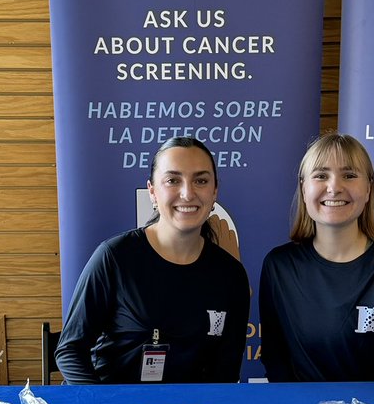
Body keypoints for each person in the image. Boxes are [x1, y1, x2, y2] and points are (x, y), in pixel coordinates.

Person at [55, 137, 250, 383]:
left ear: (214, 192)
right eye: (172, 180)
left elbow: (226, 369)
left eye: (200, 180)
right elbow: (70, 351)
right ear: (152, 192)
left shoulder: (230, 275)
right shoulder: (114, 257)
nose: (188, 193)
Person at [259, 134, 374, 382]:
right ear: (304, 188)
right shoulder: (279, 266)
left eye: (349, 175)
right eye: (321, 175)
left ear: (369, 188)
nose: (334, 187)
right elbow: (276, 359)